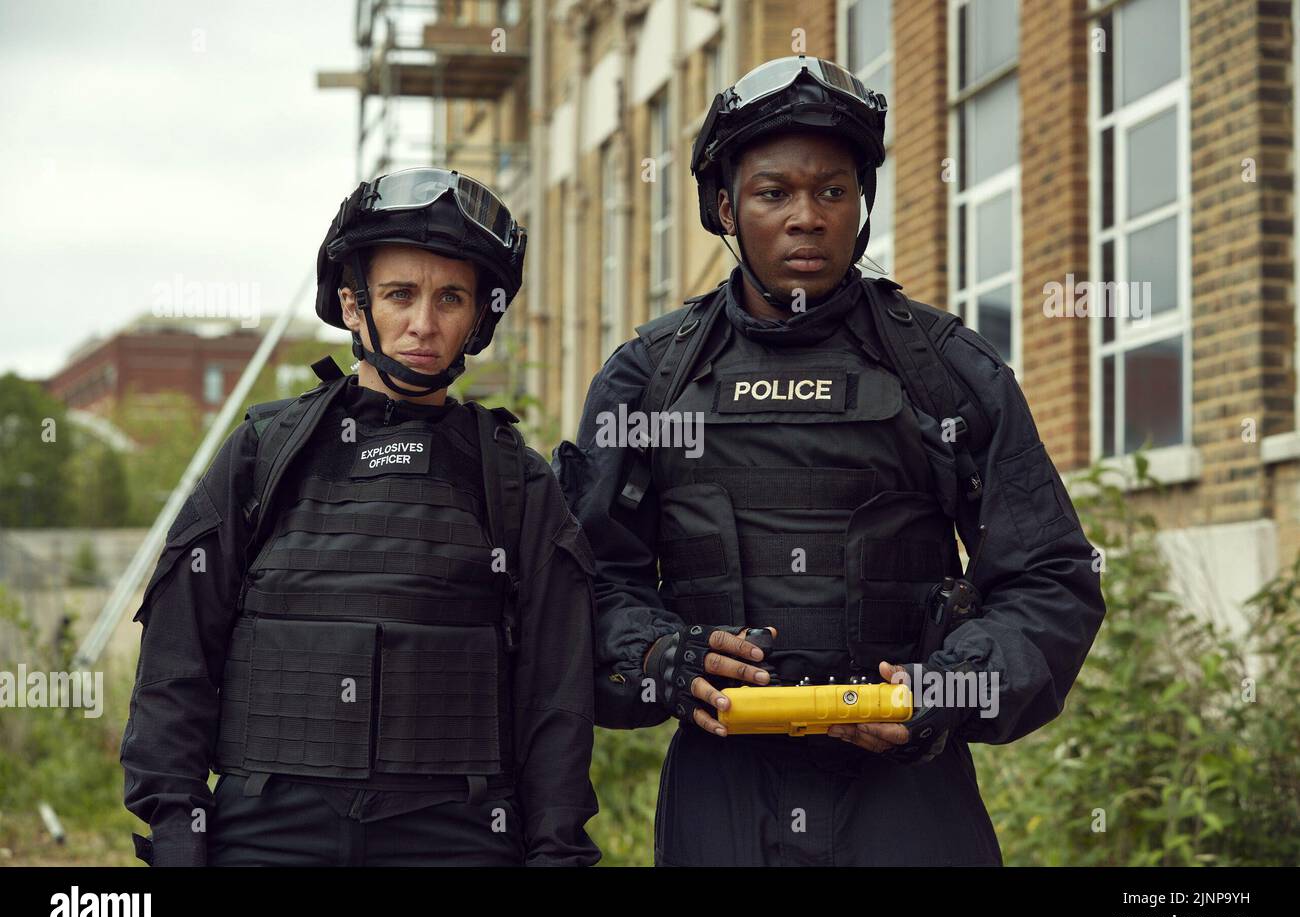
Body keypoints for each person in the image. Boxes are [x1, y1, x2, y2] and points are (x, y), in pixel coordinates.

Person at [554, 56, 1106, 865]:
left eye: (833, 191)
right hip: (724, 797)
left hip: (908, 799)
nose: (806, 217)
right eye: (774, 192)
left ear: (862, 206)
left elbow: (1050, 578)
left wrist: (943, 690)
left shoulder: (946, 369)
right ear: (726, 209)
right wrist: (656, 657)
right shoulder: (649, 379)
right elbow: (587, 579)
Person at [122, 167, 600, 866]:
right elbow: (176, 659)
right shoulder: (265, 453)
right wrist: (175, 833)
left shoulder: (515, 480)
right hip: (268, 833)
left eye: (451, 298)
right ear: (353, 305)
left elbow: (557, 699)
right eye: (400, 295)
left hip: (457, 835)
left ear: (478, 316)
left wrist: (556, 853)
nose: (424, 324)